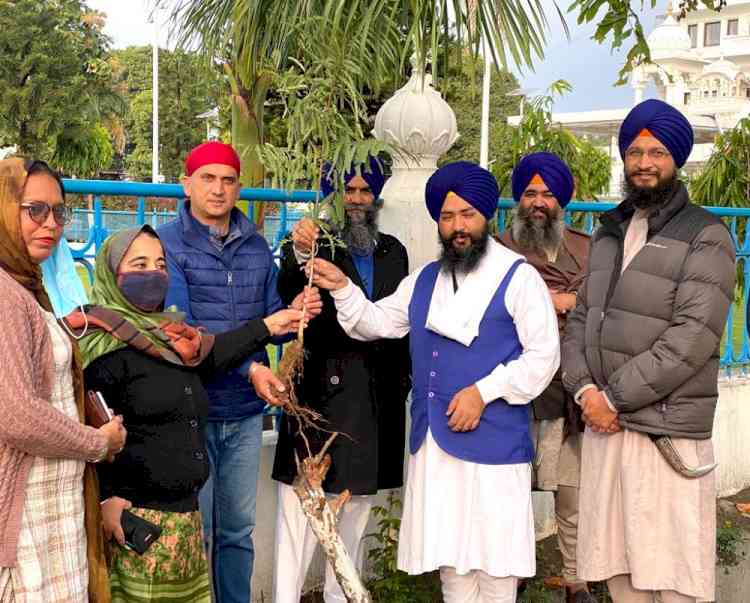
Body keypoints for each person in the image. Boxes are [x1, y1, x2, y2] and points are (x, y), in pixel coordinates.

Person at [309, 161, 559, 602]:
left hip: (494, 449)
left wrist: (484, 392)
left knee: (496, 567)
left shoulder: (519, 278)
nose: (457, 227)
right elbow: (374, 321)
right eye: (447, 217)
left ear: (486, 217)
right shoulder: (424, 279)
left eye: (467, 215)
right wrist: (342, 285)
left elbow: (543, 357)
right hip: (435, 447)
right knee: (452, 566)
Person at [74, 225, 308, 603]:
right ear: (112, 275)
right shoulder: (99, 349)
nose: (154, 273)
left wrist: (269, 326)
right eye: (139, 264)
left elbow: (216, 351)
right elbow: (86, 435)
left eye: (160, 263)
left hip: (184, 524)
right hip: (136, 527)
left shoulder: (175, 338)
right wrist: (105, 498)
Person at [561, 98, 735, 602]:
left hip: (664, 431)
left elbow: (691, 338)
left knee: (673, 575)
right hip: (604, 429)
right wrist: (586, 391)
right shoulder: (610, 232)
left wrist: (612, 399)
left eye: (657, 151)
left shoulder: (707, 235)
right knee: (619, 572)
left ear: (676, 160)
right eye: (635, 151)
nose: (644, 163)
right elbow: (579, 322)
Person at [261, 156, 411, 603]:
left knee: (357, 505)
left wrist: (403, 381)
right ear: (334, 195)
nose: (358, 200)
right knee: (301, 504)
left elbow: (396, 319)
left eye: (366, 191)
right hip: (319, 391)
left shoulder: (393, 251)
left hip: (376, 392)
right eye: (349, 190)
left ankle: (340, 594)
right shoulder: (313, 244)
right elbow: (287, 288)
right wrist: (302, 250)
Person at [158, 141, 290, 602]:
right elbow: (186, 334)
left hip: (246, 413)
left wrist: (297, 316)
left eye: (228, 180)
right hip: (194, 409)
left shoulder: (255, 245)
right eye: (208, 178)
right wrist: (253, 365)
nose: (218, 189)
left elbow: (271, 319)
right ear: (187, 183)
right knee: (200, 530)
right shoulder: (166, 244)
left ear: (239, 187)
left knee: (237, 531)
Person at [0, 157, 126, 603]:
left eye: (59, 212)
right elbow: (16, 416)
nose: (50, 224)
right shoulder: (6, 296)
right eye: (35, 209)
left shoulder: (28, 287)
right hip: (26, 508)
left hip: (52, 500)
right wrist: (99, 441)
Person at [498, 152, 594, 603]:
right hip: (516, 386)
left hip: (574, 386)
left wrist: (570, 303)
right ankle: (512, 575)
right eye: (531, 193)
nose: (539, 202)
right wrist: (545, 302)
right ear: (519, 199)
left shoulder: (588, 248)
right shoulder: (497, 250)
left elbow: (602, 306)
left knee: (572, 492)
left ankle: (576, 579)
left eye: (548, 194)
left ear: (562, 201)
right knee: (512, 488)